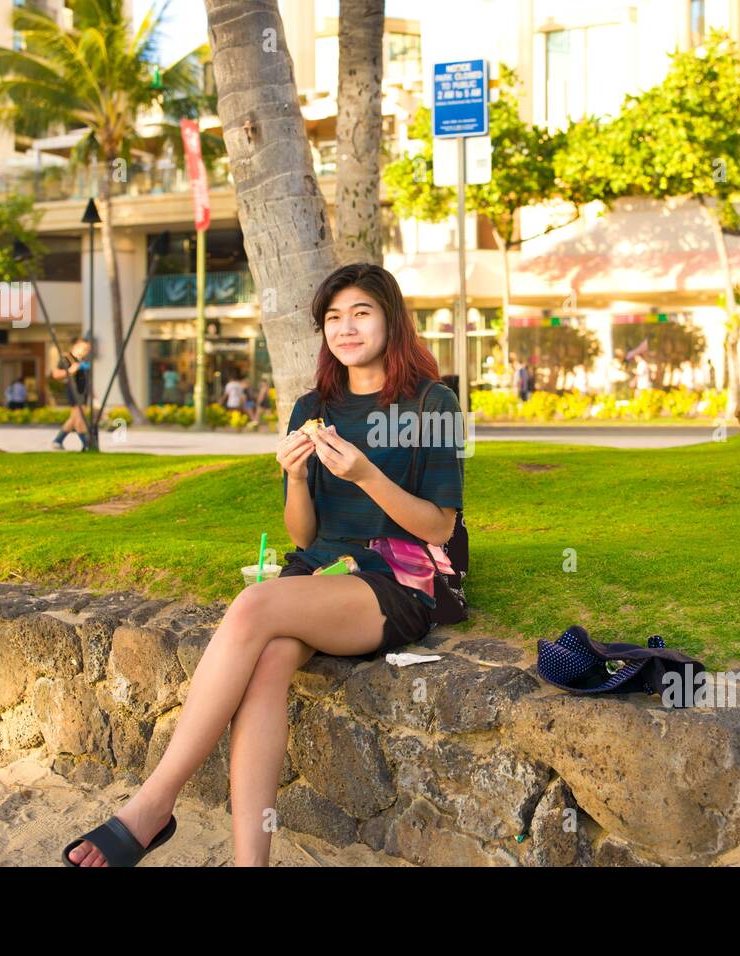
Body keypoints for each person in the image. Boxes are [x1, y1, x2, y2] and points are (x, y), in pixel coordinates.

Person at [63, 262, 464, 868]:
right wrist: (296, 475)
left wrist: (365, 474)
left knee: (252, 604)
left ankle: (152, 805)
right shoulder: (313, 404)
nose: (345, 329)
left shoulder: (434, 402)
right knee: (270, 661)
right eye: (333, 318)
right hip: (320, 575)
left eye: (361, 313)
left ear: (391, 319)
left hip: (399, 580)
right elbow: (302, 533)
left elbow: (439, 526)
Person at [50, 338, 92, 450]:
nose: (86, 351)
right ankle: (87, 444)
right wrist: (70, 370)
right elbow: (56, 374)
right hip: (75, 392)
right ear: (76, 346)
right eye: (84, 348)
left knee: (74, 418)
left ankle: (58, 440)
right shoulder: (66, 359)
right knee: (79, 419)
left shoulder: (80, 360)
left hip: (83, 392)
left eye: (87, 349)